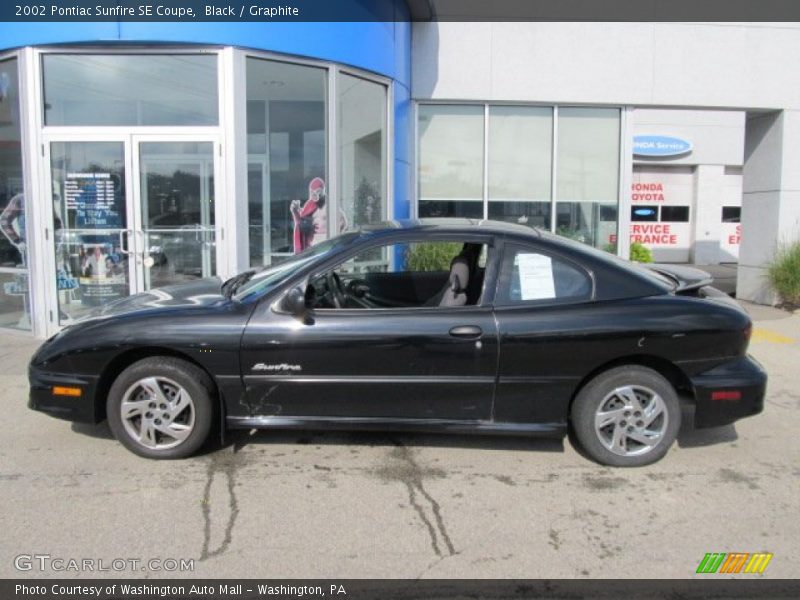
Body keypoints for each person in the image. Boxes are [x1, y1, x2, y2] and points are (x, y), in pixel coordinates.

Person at [290, 177, 326, 253]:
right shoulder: (309, 204)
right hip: (310, 248)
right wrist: (295, 212)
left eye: (318, 191)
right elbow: (300, 223)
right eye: (312, 192)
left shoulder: (329, 205)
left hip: (324, 248)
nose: (315, 194)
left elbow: (343, 224)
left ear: (323, 191)